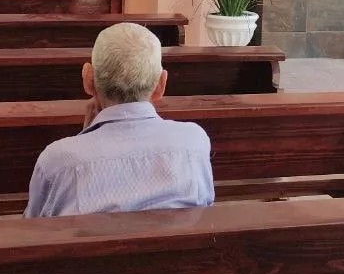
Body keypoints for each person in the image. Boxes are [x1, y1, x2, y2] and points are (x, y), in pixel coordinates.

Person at [24, 23, 214, 217]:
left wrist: (84, 140)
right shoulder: (194, 142)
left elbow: (33, 231)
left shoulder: (58, 160)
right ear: (161, 85)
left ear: (88, 80)